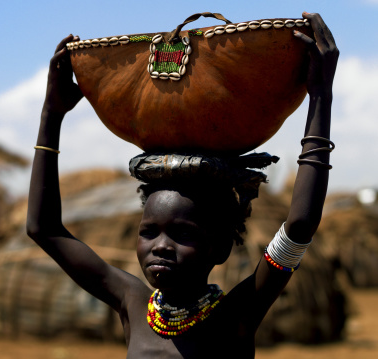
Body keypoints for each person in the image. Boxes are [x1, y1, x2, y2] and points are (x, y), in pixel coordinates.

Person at [27, 12, 338, 358]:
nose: (160, 246)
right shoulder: (132, 303)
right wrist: (51, 115)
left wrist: (320, 97)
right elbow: (44, 229)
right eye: (149, 232)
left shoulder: (234, 318)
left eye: (183, 234)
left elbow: (299, 227)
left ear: (219, 247)